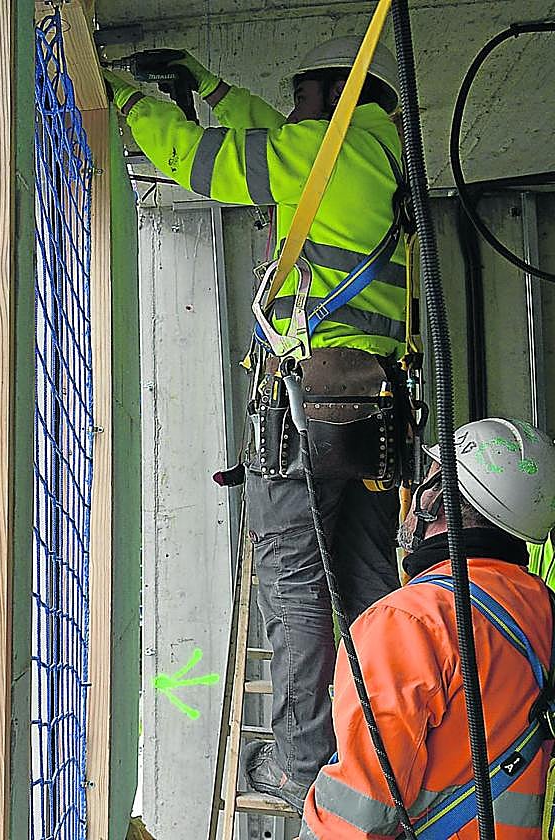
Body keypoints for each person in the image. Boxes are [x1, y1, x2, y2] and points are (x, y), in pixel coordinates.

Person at [102, 38, 413, 810]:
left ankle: (305, 764)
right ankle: (378, 745)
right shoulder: (374, 153)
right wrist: (202, 83)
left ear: (335, 101)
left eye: (305, 95)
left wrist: (128, 99)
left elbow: (201, 163)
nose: (295, 107)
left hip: (309, 410)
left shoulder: (325, 149)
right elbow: (272, 134)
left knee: (295, 582)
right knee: (369, 577)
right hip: (377, 411)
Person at [302, 418, 555, 838]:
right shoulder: (540, 607)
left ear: (437, 501)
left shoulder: (408, 622)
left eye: (428, 480)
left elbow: (356, 814)